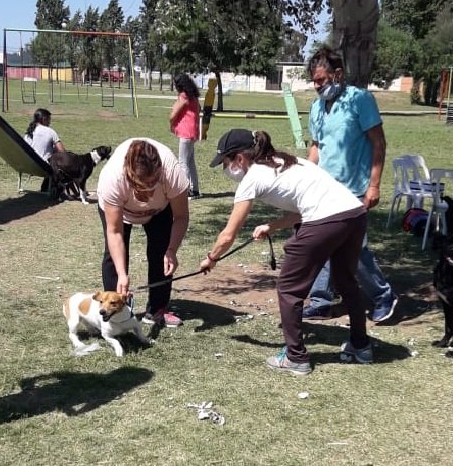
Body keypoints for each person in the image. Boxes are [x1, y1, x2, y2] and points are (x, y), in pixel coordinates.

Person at [199, 129, 370, 375]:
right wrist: (271, 226)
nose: (226, 169)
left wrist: (211, 258)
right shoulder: (289, 161)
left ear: (239, 158)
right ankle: (361, 346)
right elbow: (307, 205)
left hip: (325, 220)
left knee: (289, 289)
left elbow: (228, 234)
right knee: (346, 282)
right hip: (354, 215)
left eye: (225, 162)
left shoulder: (253, 178)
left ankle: (296, 358)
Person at [303, 47, 398, 322]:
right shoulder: (317, 107)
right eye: (314, 81)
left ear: (338, 74)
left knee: (355, 250)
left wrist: (374, 185)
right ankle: (321, 299)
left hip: (354, 189)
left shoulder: (360, 100)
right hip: (324, 189)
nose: (317, 86)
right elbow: (316, 146)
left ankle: (383, 296)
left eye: (321, 80)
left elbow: (378, 142)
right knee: (320, 243)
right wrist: (306, 178)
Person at [97, 138, 190, 327]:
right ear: (129, 176)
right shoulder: (113, 178)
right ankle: (114, 314)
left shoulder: (172, 173)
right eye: (140, 188)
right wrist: (122, 273)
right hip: (120, 212)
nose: (147, 195)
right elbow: (115, 232)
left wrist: (171, 250)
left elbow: (181, 217)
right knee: (114, 258)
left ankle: (158, 309)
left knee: (161, 253)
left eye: (152, 185)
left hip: (160, 211)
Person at [169, 73, 201, 199]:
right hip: (193, 132)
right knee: (190, 162)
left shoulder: (184, 96)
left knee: (183, 162)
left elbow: (173, 115)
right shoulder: (194, 96)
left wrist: (172, 124)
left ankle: (185, 191)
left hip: (185, 133)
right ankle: (195, 190)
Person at [24, 108, 65, 191]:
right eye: (49, 120)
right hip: (44, 166)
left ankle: (46, 186)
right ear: (44, 119)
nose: (50, 122)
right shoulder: (50, 132)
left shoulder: (28, 134)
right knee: (63, 160)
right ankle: (55, 186)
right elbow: (62, 151)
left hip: (29, 166)